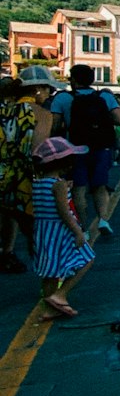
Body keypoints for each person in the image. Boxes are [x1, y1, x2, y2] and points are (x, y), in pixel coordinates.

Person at [49, 64, 120, 236]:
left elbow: (54, 127)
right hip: (101, 147)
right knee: (100, 186)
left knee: (79, 188)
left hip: (74, 148)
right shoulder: (105, 96)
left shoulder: (62, 98)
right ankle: (103, 219)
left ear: (73, 80)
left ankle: (83, 228)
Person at [31, 135, 95, 318]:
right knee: (87, 258)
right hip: (61, 230)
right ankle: (61, 295)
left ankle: (49, 308)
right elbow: (63, 211)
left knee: (49, 271)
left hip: (44, 232)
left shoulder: (38, 183)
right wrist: (78, 232)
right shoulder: (58, 185)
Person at [1, 67, 56, 271]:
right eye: (48, 89)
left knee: (6, 216)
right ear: (37, 90)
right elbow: (38, 151)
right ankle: (49, 276)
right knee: (35, 229)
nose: (50, 94)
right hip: (24, 177)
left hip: (2, 172)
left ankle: (6, 253)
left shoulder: (4, 109)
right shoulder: (42, 114)